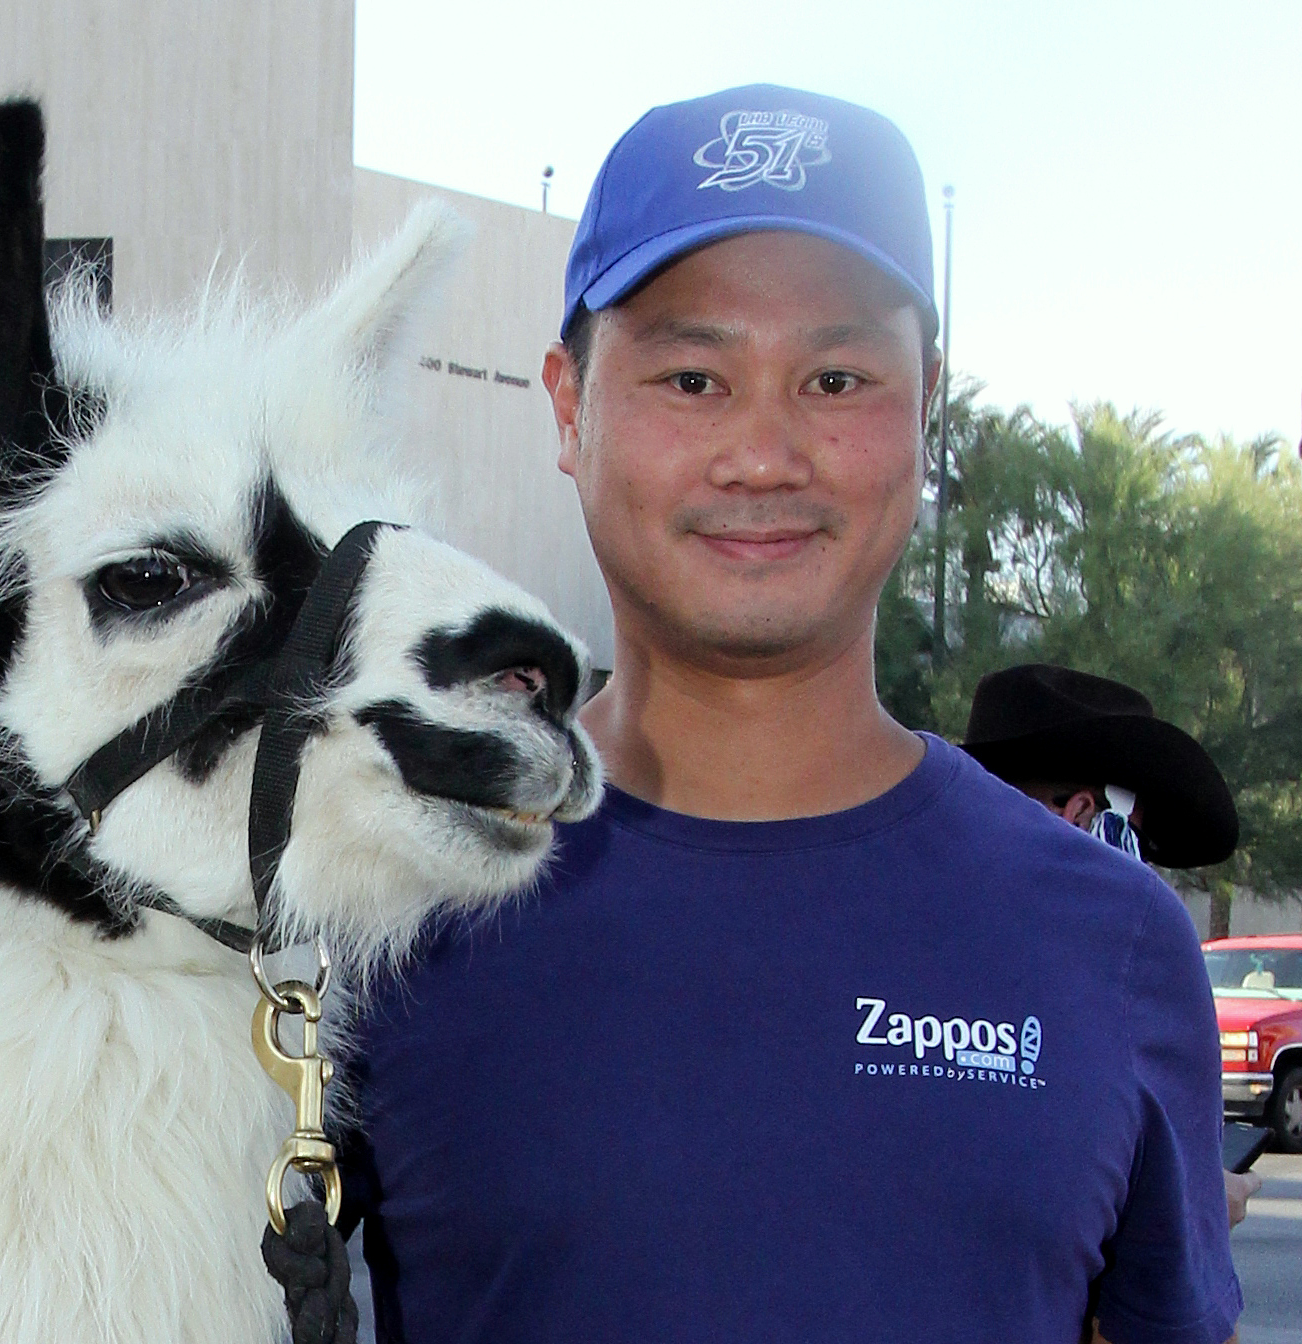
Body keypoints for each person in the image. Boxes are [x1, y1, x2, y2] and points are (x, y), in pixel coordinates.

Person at [338, 86, 1240, 1343]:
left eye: (835, 378)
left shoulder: (1113, 943)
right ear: (568, 406)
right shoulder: (385, 913)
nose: (763, 455)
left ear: (926, 407)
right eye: (693, 377)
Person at [962, 662, 1259, 1224]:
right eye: (1136, 839)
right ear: (1082, 817)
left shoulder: (895, 938)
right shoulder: (1129, 985)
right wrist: (1197, 1206)